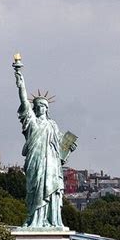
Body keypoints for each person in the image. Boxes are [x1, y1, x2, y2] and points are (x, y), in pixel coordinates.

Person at [14, 62, 76, 228]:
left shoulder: (53, 125)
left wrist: (69, 149)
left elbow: (61, 150)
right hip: (36, 161)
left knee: (51, 190)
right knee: (36, 190)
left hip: (51, 163)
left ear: (47, 108)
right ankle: (36, 220)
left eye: (43, 106)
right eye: (38, 106)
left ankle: (52, 220)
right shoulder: (32, 122)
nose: (40, 108)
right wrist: (20, 81)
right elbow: (24, 101)